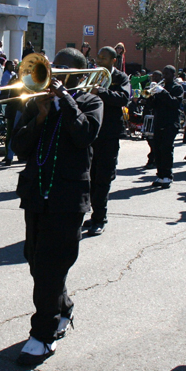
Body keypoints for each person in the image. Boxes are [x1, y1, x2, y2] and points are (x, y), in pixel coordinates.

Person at [10, 47, 103, 366]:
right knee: (36, 261)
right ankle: (62, 307)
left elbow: (85, 135)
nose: (55, 72)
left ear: (78, 73)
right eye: (53, 67)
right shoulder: (37, 101)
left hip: (67, 197)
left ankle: (42, 336)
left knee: (52, 264)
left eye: (63, 69)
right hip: (36, 193)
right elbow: (19, 148)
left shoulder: (91, 101)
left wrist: (66, 101)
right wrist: (40, 115)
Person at [85, 46, 130, 236]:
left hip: (109, 134)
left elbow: (124, 99)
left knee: (103, 177)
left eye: (104, 58)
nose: (99, 60)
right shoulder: (92, 74)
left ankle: (100, 218)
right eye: (99, 57)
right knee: (90, 177)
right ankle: (93, 212)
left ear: (113, 60)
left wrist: (101, 92)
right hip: (91, 132)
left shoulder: (121, 78)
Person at [145, 65, 184, 188]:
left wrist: (163, 92)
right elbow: (152, 106)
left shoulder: (177, 88)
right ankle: (160, 175)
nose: (164, 77)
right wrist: (150, 95)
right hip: (159, 121)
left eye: (167, 74)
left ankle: (167, 176)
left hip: (171, 122)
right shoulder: (159, 88)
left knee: (166, 149)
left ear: (173, 75)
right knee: (157, 149)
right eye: (163, 74)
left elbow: (175, 103)